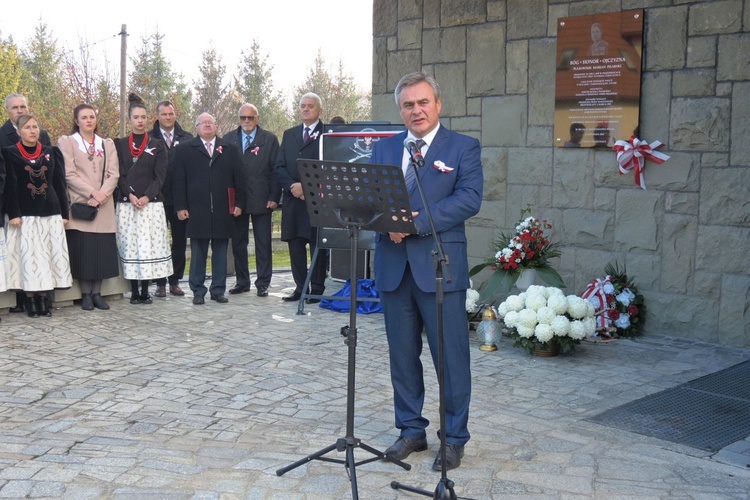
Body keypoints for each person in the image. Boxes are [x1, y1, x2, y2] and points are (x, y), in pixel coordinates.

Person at [371, 72, 483, 472]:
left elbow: (469, 199)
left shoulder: (463, 148)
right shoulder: (383, 150)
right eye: (407, 105)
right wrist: (386, 221)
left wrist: (413, 223)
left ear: (438, 104)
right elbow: (370, 199)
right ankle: (411, 430)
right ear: (400, 110)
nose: (415, 110)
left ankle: (453, 439)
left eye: (422, 102)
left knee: (449, 358)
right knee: (402, 356)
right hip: (393, 266)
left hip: (439, 267)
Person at [2, 115, 72, 317]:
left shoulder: (50, 152)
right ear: (19, 132)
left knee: (47, 256)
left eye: (35, 127)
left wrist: (64, 213)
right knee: (30, 258)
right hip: (26, 214)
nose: (32, 131)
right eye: (27, 127)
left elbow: (59, 183)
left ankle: (44, 299)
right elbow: (10, 186)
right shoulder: (10, 153)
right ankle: (30, 300)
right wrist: (14, 213)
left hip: (49, 212)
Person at [172, 112, 245, 305]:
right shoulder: (185, 149)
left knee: (220, 252)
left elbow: (240, 179)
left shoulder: (230, 149)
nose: (207, 125)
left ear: (216, 126)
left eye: (210, 122)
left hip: (223, 209)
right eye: (202, 122)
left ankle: (218, 290)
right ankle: (197, 290)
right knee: (198, 253)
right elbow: (178, 181)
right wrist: (180, 206)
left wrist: (239, 204)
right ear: (196, 127)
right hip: (197, 210)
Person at [58, 104, 120, 311]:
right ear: (76, 120)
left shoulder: (106, 143)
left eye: (92, 116)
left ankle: (97, 293)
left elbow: (114, 174)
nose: (88, 120)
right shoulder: (68, 142)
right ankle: (85, 294)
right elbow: (68, 174)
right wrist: (92, 193)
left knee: (101, 251)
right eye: (84, 117)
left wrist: (102, 195)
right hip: (81, 203)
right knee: (84, 252)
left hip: (103, 204)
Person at [114, 94, 172, 305]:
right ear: (129, 119)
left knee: (147, 246)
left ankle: (146, 289)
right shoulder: (119, 144)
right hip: (128, 203)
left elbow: (160, 176)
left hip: (151, 204)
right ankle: (133, 290)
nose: (140, 120)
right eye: (136, 117)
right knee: (131, 245)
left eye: (143, 117)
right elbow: (118, 174)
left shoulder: (157, 145)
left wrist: (147, 196)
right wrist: (130, 195)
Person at [1, 93, 53, 314]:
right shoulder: (2, 137)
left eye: (23, 106)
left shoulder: (44, 138)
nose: (20, 110)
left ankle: (42, 299)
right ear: (7, 111)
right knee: (22, 253)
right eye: (15, 107)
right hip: (18, 207)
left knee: (41, 253)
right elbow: (6, 179)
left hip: (42, 208)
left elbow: (53, 177)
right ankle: (23, 299)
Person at [275, 93, 328, 303]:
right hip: (292, 200)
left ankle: (315, 288)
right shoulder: (289, 134)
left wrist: (307, 189)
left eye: (310, 106)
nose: (306, 109)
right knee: (295, 245)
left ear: (319, 110)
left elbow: (329, 167)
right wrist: (291, 186)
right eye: (303, 106)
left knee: (317, 245)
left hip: (316, 201)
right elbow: (279, 166)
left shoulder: (327, 134)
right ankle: (300, 287)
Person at [224, 103, 280, 297]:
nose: (246, 121)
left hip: (262, 198)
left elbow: (276, 170)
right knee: (238, 243)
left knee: (263, 242)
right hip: (238, 200)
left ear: (257, 118)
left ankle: (263, 282)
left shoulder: (269, 139)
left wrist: (274, 196)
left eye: (250, 117)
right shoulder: (228, 139)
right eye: (242, 118)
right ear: (238, 119)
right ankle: (242, 281)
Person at [150, 100, 192, 297]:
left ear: (175, 115)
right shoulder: (149, 138)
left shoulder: (187, 138)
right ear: (157, 116)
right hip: (156, 198)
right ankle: (160, 283)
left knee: (179, 241)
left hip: (180, 199)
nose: (168, 117)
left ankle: (175, 280)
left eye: (171, 113)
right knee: (159, 241)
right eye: (164, 114)